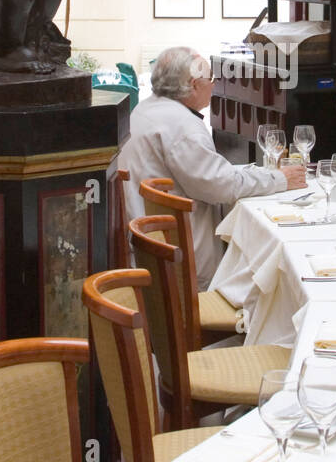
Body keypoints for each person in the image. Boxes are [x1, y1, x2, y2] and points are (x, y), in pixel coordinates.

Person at [119, 47, 307, 289]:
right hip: (183, 258)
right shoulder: (182, 126)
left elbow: (209, 174)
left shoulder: (146, 109)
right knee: (268, 274)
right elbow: (221, 186)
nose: (214, 84)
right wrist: (280, 179)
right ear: (193, 84)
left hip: (150, 243)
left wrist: (257, 173)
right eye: (210, 79)